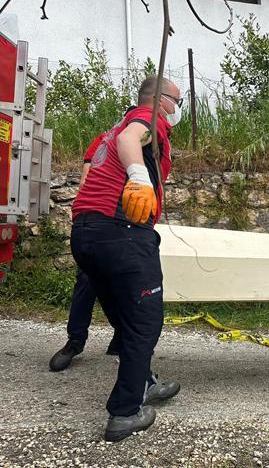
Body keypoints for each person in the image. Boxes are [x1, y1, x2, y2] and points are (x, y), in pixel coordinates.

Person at [71, 77, 182, 442]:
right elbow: (129, 141)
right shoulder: (147, 118)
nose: (177, 109)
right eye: (176, 101)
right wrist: (138, 177)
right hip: (122, 232)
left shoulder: (112, 127)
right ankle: (125, 412)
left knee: (124, 315)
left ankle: (144, 381)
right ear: (160, 101)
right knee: (145, 323)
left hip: (87, 233)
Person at [49, 107, 137, 372]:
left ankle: (122, 335)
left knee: (125, 285)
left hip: (133, 221)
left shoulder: (153, 141)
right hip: (102, 220)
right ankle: (75, 341)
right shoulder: (105, 140)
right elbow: (87, 181)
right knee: (87, 280)